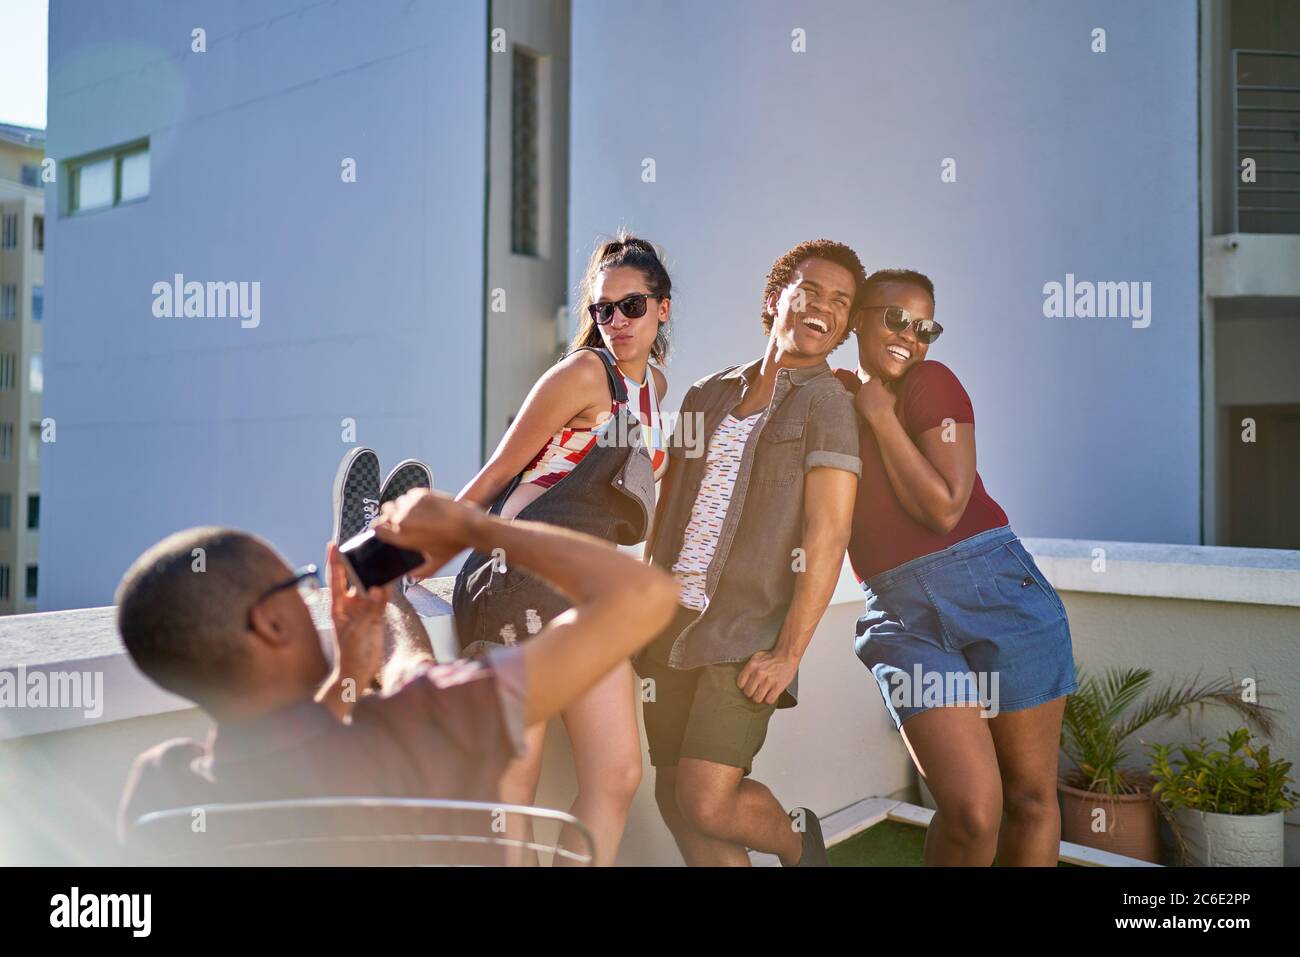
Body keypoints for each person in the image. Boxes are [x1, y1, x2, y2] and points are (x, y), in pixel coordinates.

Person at [116, 489, 679, 864]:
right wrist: (472, 526)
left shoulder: (162, 792)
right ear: (270, 623)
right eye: (298, 585)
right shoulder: (420, 727)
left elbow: (284, 758)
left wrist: (349, 677)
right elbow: (644, 595)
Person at [834, 268, 1077, 867]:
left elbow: (944, 506)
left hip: (997, 589)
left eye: (925, 327)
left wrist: (880, 415)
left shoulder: (929, 382)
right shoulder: (828, 397)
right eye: (895, 318)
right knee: (970, 810)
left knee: (1028, 800)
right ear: (857, 318)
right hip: (900, 615)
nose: (909, 336)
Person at [639, 239, 863, 866]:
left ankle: (801, 846)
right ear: (776, 299)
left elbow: (828, 534)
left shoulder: (829, 406)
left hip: (745, 636)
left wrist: (790, 652)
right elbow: (663, 504)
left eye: (841, 302)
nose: (825, 308)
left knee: (707, 800)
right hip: (670, 625)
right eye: (811, 291)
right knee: (673, 797)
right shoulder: (705, 395)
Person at [452, 233, 672, 865]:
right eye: (603, 309)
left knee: (617, 774)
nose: (616, 322)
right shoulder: (581, 374)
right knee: (513, 784)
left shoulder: (655, 388)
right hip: (517, 578)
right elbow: (495, 478)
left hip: (589, 593)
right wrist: (401, 560)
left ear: (663, 308)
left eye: (632, 306)